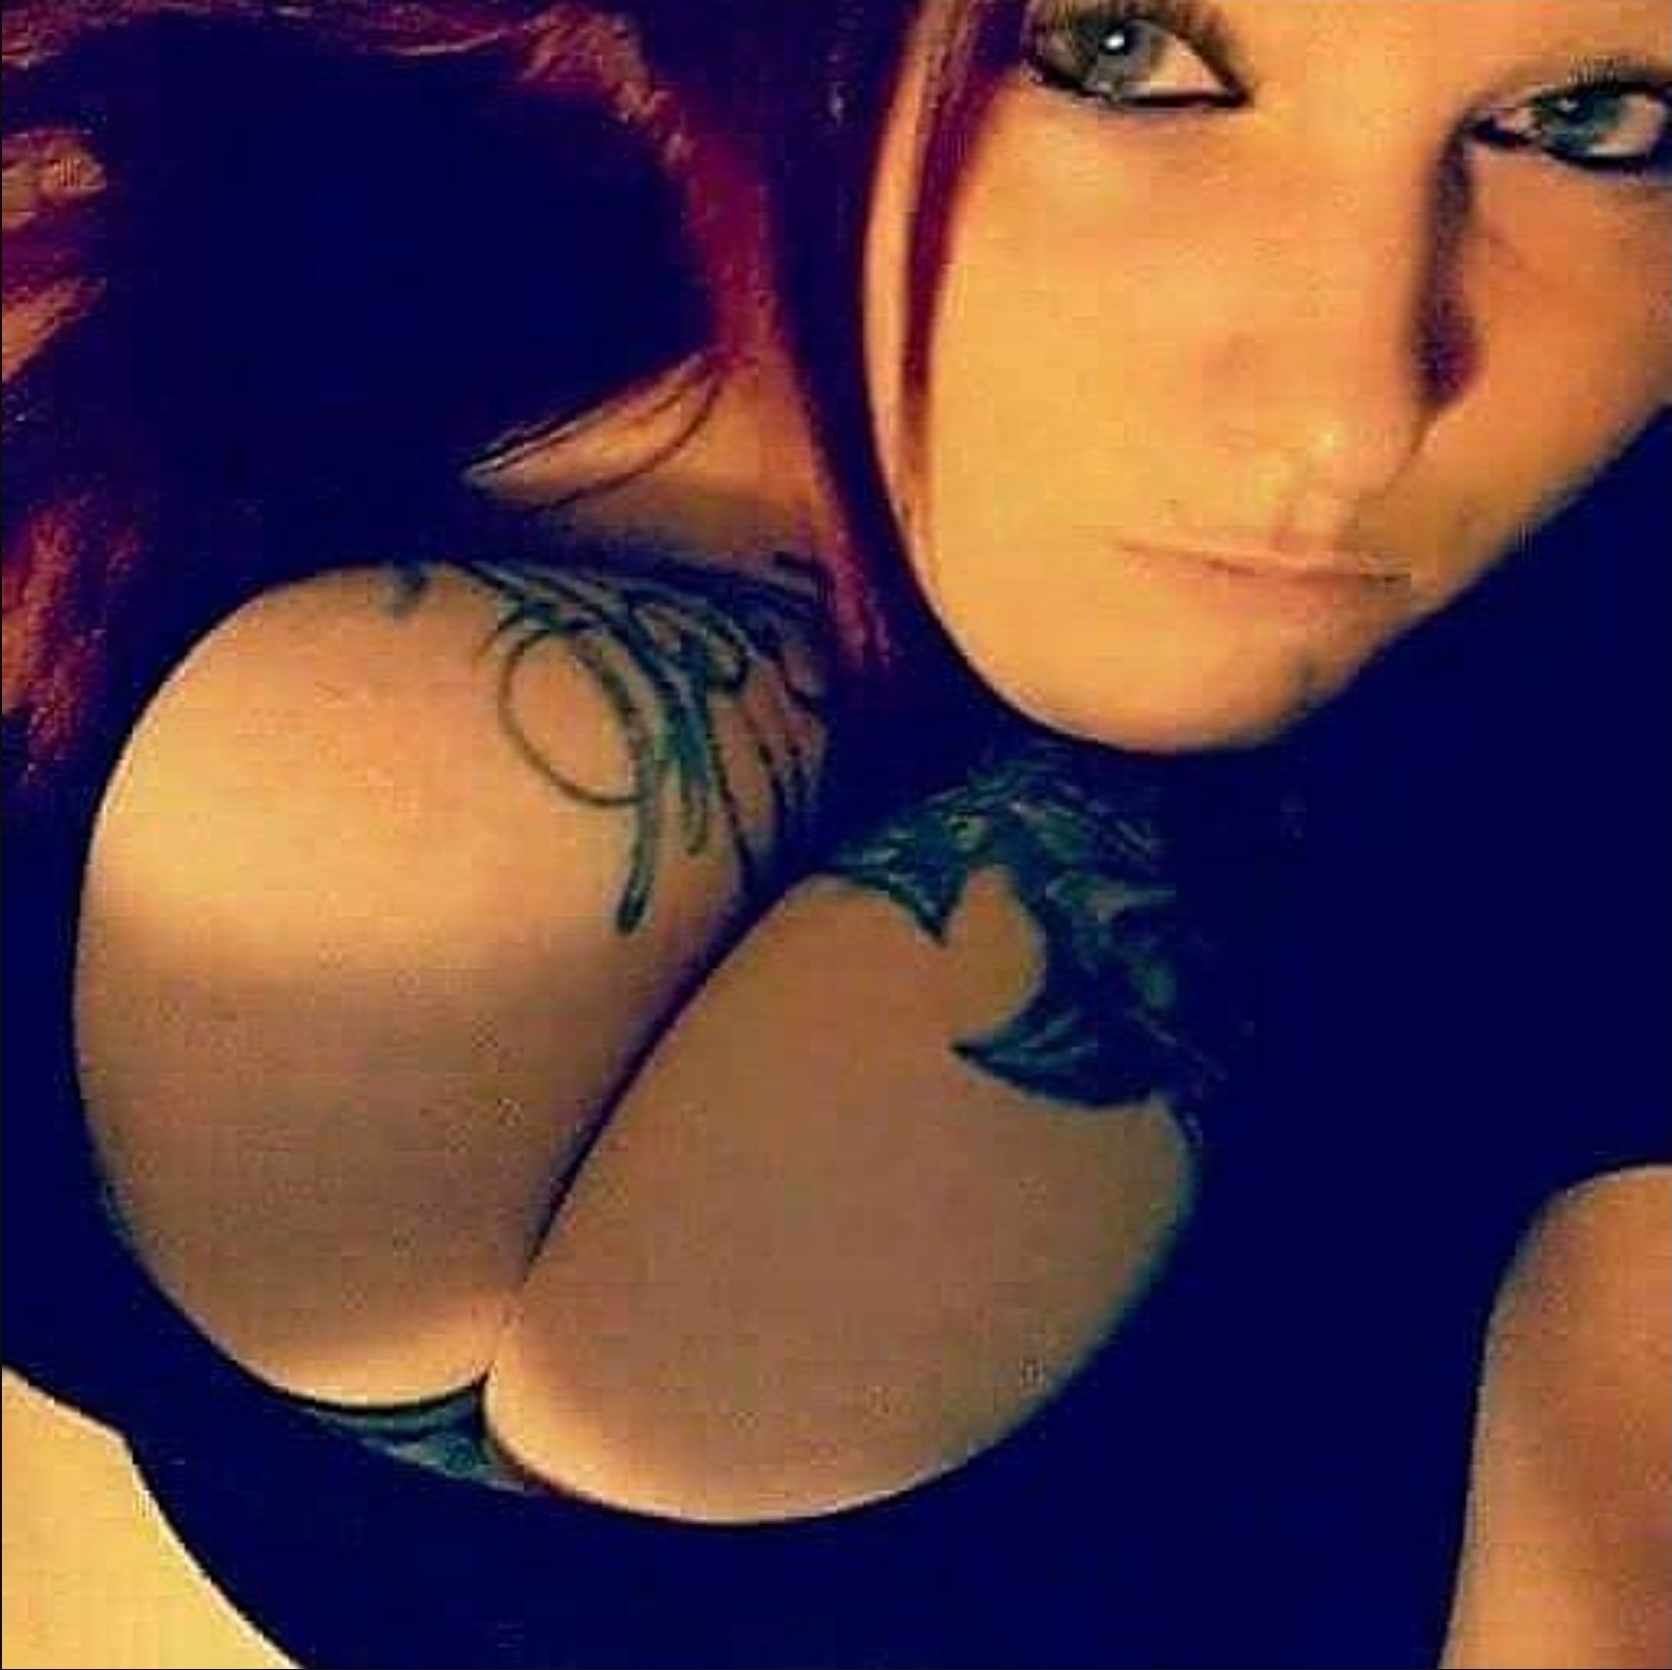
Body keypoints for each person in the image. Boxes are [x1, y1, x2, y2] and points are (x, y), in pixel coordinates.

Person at [5, 1, 1668, 1664]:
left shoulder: (1594, 780)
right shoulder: (185, 276)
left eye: (1599, 124)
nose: (1351, 415)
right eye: (1116, 53)